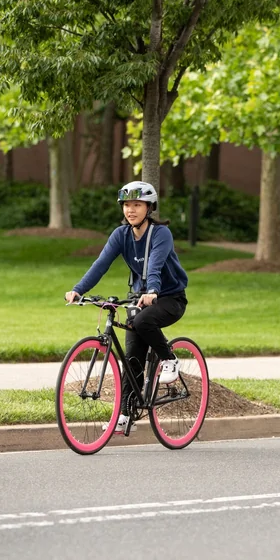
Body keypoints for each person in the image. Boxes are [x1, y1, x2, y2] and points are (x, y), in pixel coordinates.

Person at [65, 181, 189, 433]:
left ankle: (170, 359)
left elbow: (155, 265)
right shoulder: (120, 235)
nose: (130, 210)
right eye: (127, 205)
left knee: (143, 322)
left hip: (169, 298)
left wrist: (153, 290)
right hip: (140, 297)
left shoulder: (160, 233)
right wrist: (79, 289)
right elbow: (100, 264)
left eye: (137, 205)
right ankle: (125, 413)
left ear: (149, 207)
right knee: (132, 358)